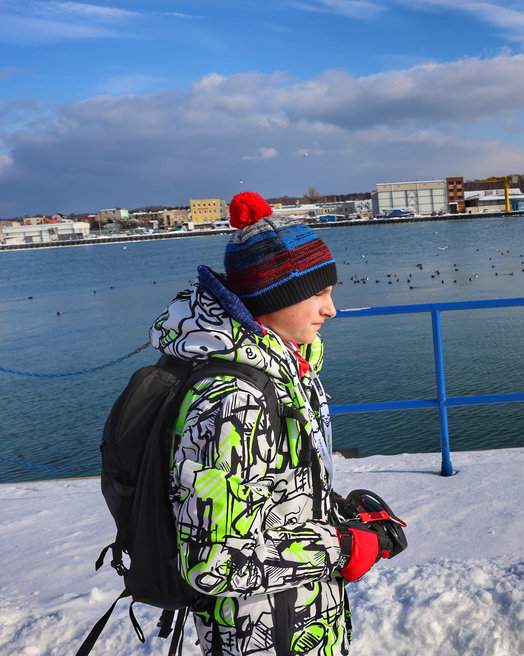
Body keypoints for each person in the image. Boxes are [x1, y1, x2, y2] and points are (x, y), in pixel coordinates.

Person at [149, 191, 380, 655]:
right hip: (259, 636)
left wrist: (334, 513)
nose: (330, 309)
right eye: (318, 294)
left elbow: (264, 497)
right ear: (273, 297)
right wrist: (342, 547)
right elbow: (213, 562)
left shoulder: (284, 368)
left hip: (298, 620)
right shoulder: (234, 401)